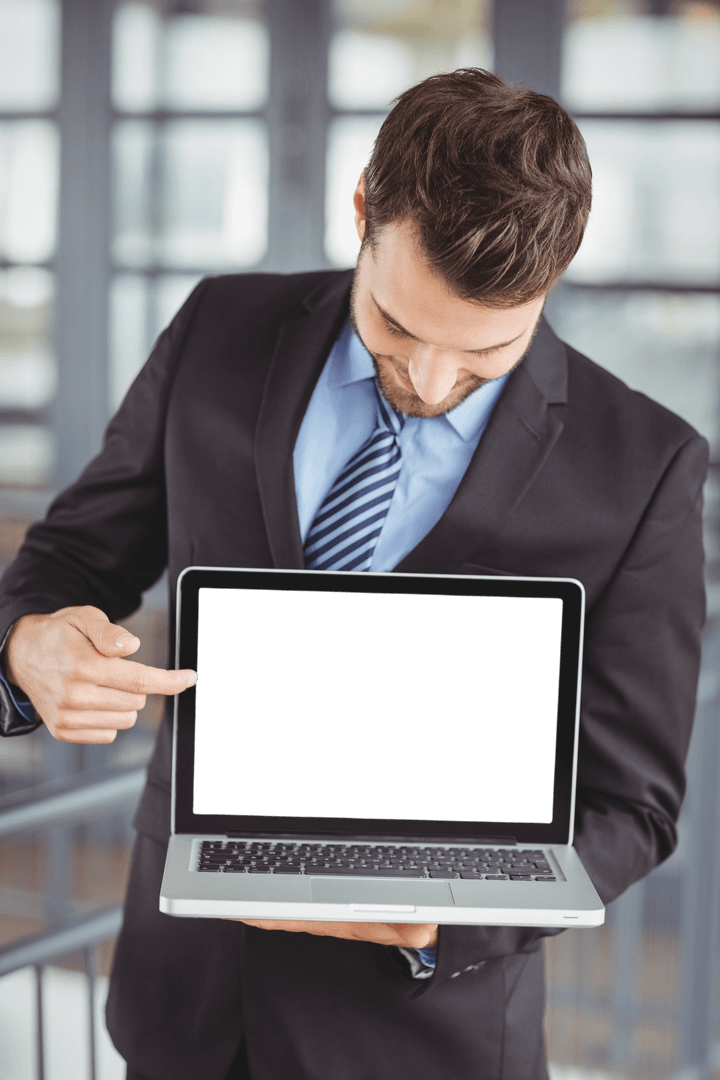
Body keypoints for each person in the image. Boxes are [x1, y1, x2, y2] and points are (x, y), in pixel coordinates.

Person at [0, 69, 706, 1080]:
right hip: (184, 1010)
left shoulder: (644, 467)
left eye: (482, 358)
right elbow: (72, 556)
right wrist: (30, 643)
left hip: (425, 1041)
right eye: (399, 326)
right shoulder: (218, 332)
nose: (427, 383)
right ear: (362, 211)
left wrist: (443, 918)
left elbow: (634, 810)